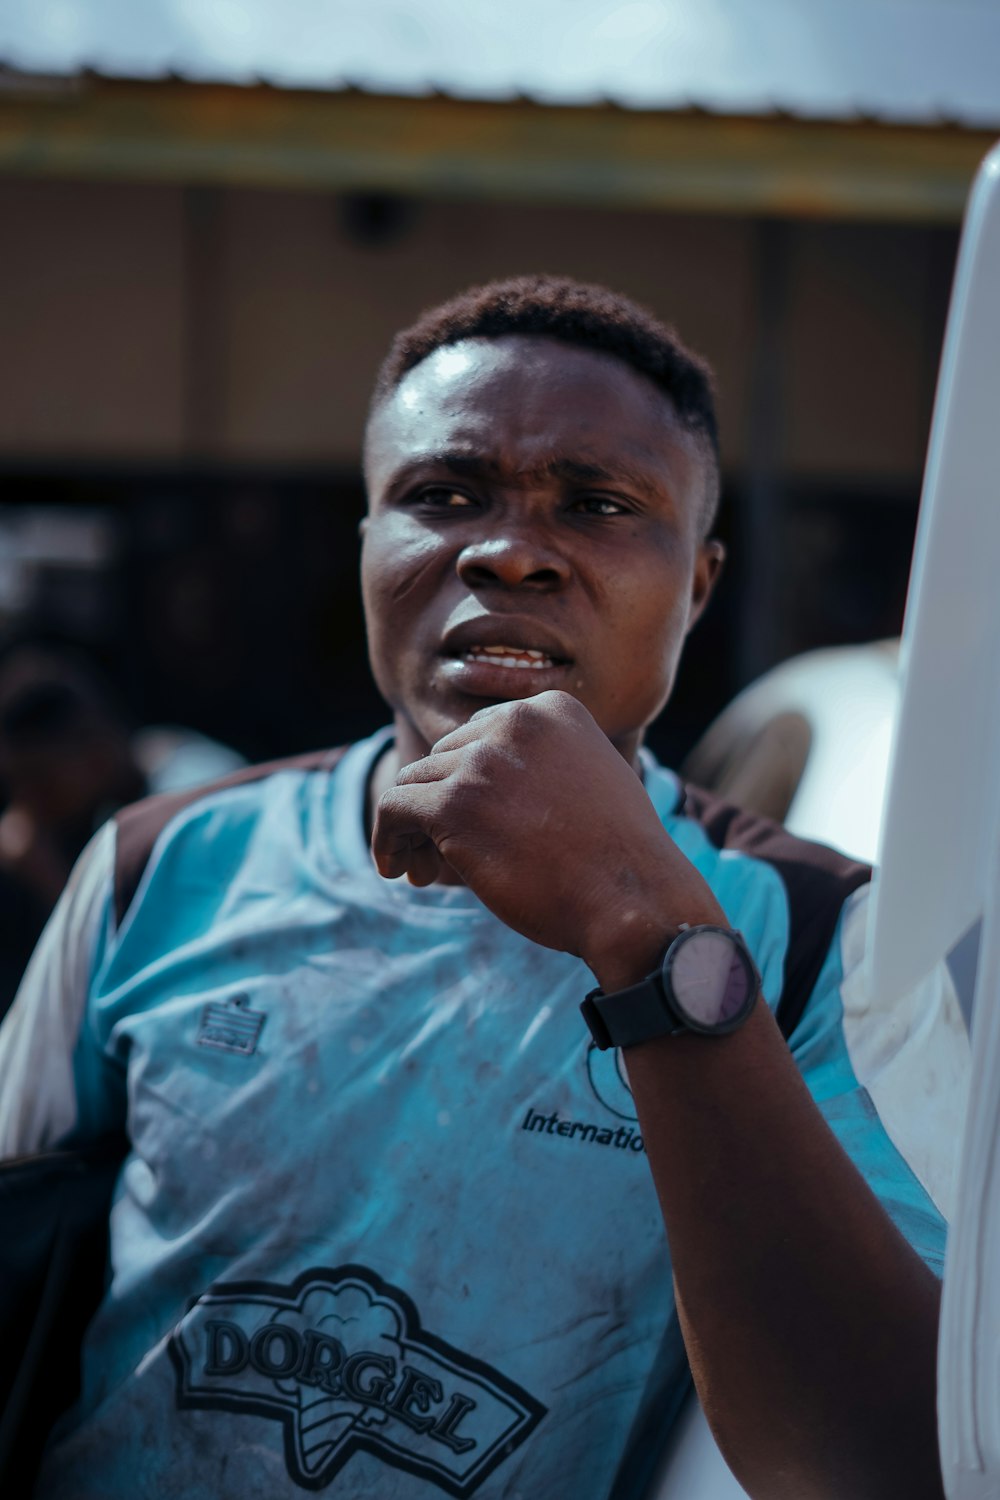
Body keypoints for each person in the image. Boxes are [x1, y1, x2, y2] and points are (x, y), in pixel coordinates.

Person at [0, 276, 968, 1500]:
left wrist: (649, 934)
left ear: (699, 586)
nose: (509, 548)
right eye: (442, 495)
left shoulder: (826, 943)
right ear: (365, 545)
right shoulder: (160, 865)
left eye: (599, 503)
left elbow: (889, 1466)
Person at [0, 644, 246, 1014]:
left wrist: (48, 877)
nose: (27, 802)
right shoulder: (123, 794)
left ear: (93, 750)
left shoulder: (188, 807)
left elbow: (153, 966)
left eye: (40, 779)